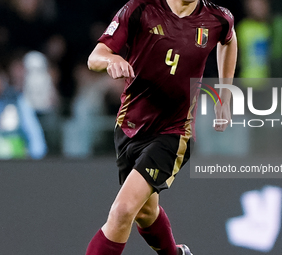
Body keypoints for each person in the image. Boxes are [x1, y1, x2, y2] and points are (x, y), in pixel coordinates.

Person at [86, 0, 237, 254]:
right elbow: (95, 57)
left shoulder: (217, 18)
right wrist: (111, 60)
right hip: (129, 125)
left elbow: (229, 40)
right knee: (145, 211)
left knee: (123, 211)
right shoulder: (140, 8)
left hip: (173, 132)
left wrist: (225, 92)